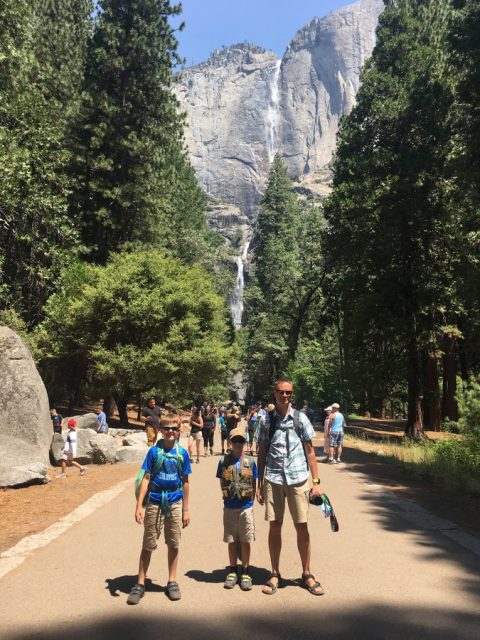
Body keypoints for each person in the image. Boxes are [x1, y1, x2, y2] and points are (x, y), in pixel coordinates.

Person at [257, 379, 325, 596]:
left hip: (298, 479)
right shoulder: (266, 420)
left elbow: (311, 453)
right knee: (275, 525)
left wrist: (316, 483)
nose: (285, 396)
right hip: (274, 479)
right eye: (281, 392)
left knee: (301, 526)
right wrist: (259, 483)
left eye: (289, 393)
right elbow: (261, 452)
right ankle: (275, 573)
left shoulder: (301, 419)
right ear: (274, 393)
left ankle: (306, 573)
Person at [127, 413, 191, 604]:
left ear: (179, 431)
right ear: (161, 431)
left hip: (175, 502)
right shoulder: (153, 452)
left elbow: (186, 482)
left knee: (173, 542)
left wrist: (186, 510)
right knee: (148, 543)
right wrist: (139, 506)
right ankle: (140, 583)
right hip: (154, 500)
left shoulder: (182, 454)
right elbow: (146, 478)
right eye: (166, 428)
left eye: (174, 428)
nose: (170, 432)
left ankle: (172, 581)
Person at [216, 427, 257, 591]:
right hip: (230, 506)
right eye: (235, 440)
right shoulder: (223, 462)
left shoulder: (250, 461)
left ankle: (245, 570)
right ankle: (233, 569)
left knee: (246, 539)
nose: (238, 443)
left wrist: (253, 498)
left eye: (241, 440)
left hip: (246, 506)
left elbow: (254, 481)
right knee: (232, 539)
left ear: (245, 443)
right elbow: (221, 480)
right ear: (230, 442)